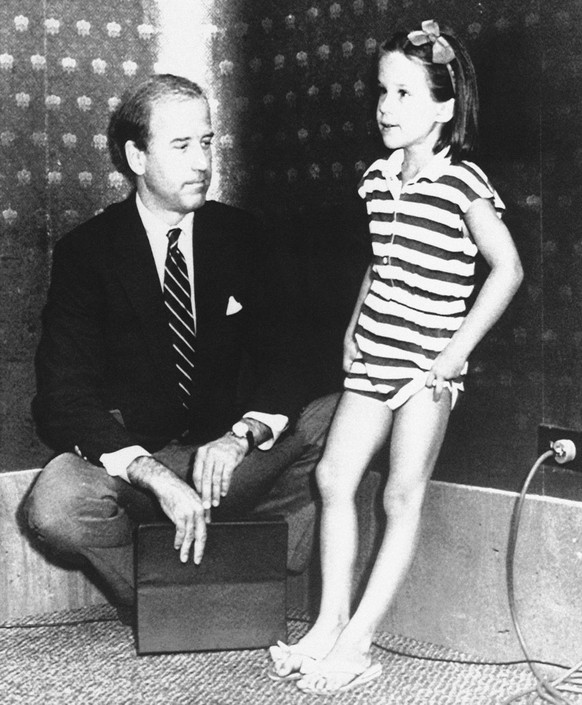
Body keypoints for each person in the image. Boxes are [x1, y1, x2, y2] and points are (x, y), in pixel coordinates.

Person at [268, 20, 523, 694]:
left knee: (401, 493)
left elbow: (507, 269)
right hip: (375, 351)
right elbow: (382, 265)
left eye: (405, 94)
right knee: (333, 477)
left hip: (426, 369)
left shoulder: (463, 183)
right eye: (382, 91)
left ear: (444, 108)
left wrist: (455, 352)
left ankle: (358, 640)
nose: (386, 106)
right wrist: (354, 324)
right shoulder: (378, 179)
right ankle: (328, 621)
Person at [24, 73, 339, 619]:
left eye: (208, 142)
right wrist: (153, 474)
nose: (201, 162)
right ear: (137, 157)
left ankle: (262, 577)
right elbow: (62, 396)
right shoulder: (87, 253)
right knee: (56, 504)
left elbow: (296, 353)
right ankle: (177, 605)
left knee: (342, 414)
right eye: (181, 145)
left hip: (225, 463)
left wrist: (243, 434)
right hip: (138, 471)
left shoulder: (243, 235)